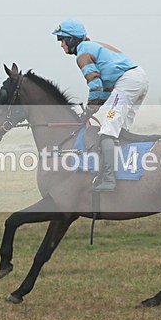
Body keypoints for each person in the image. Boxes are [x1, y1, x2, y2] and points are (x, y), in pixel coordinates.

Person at [52, 19, 149, 191]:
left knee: (107, 131)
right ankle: (122, 173)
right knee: (119, 131)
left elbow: (95, 86)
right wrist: (91, 110)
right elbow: (103, 90)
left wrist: (88, 111)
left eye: (62, 39)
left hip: (127, 82)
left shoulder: (83, 54)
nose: (61, 45)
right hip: (138, 79)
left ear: (72, 39)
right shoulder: (91, 47)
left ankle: (109, 179)